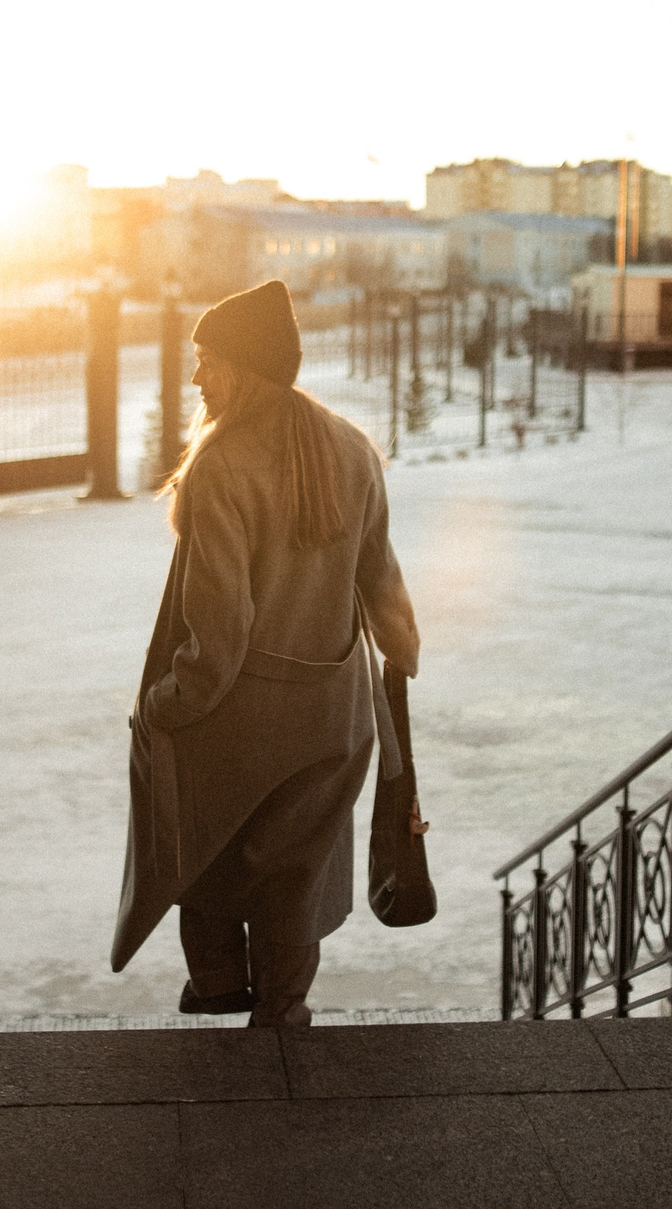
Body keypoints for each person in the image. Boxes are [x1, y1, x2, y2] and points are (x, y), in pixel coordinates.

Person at [111, 279, 420, 1027]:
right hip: (336, 716)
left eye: (207, 360)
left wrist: (164, 707)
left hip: (242, 716)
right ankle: (283, 1014)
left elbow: (217, 638)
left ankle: (218, 981)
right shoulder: (349, 448)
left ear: (244, 368)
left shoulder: (221, 467)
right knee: (295, 871)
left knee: (204, 842)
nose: (195, 378)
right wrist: (400, 653)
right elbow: (382, 582)